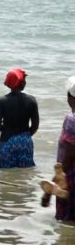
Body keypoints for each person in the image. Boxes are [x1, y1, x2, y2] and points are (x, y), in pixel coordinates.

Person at [41, 76, 75, 220]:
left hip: (70, 182)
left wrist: (49, 190)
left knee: (68, 224)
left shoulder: (71, 120)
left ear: (71, 97)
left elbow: (69, 157)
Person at [0, 69, 39, 168]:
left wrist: (6, 129)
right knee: (25, 174)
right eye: (24, 80)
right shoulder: (31, 100)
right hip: (25, 141)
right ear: (20, 82)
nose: (25, 82)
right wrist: (24, 135)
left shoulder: (1, 101)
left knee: (7, 174)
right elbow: (35, 126)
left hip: (7, 140)